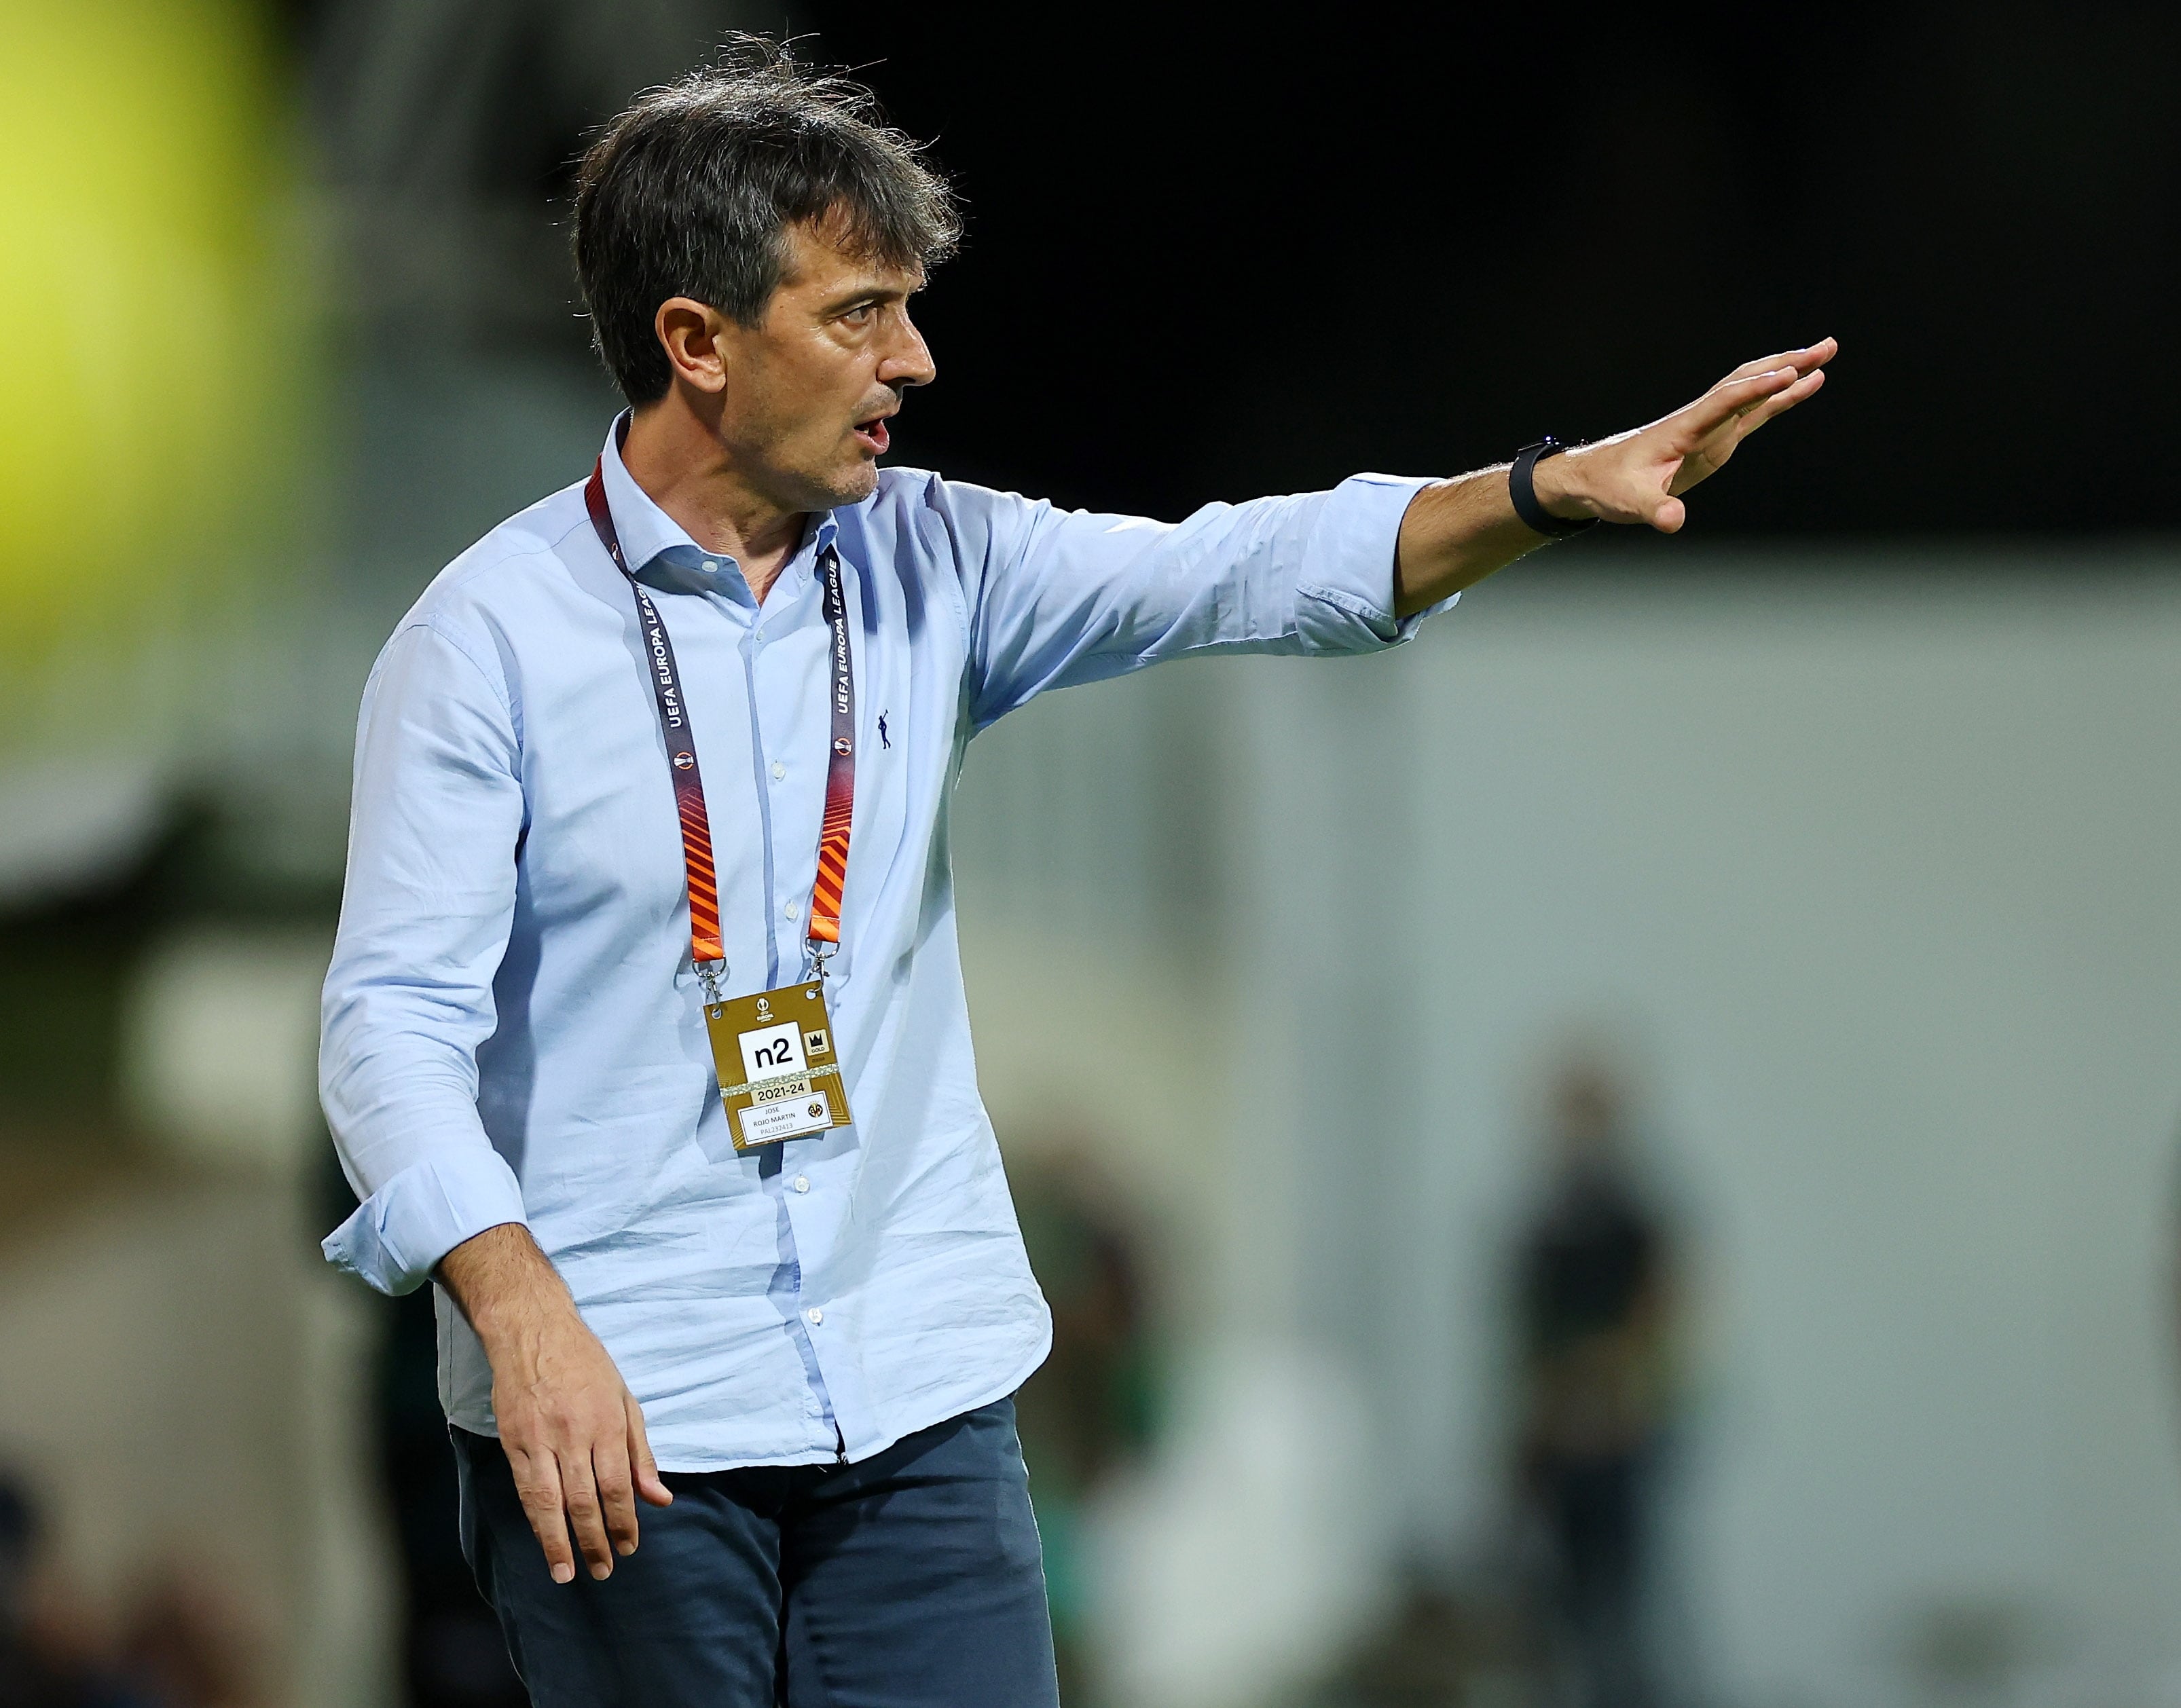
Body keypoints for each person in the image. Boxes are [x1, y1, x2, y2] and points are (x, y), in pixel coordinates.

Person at [317, 38, 1832, 1707]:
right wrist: (516, 1309)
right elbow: (389, 1028)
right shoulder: (485, 641)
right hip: (623, 1424)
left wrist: (1544, 490)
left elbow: (1237, 566)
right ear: (697, 343)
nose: (914, 359)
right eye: (856, 315)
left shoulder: (936, 554)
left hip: (920, 1404)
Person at [1513, 1061, 1681, 1708]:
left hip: (1621, 1441)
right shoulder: (1547, 1217)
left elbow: (1663, 1319)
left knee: (1623, 1619)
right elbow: (1524, 1337)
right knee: (1561, 1617)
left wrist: (1613, 1389)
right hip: (1556, 1443)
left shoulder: (1634, 1215)